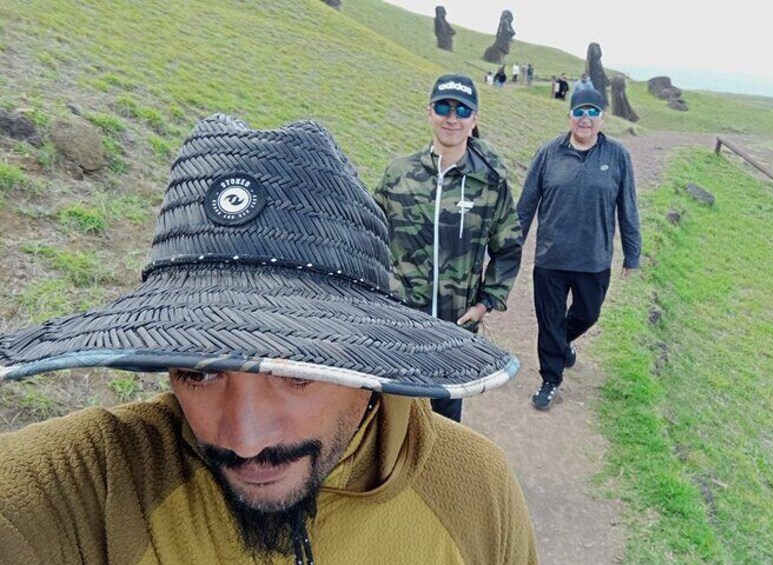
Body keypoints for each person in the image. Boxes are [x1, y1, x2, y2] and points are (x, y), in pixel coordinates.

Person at [0, 115, 537, 564]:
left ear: (368, 360)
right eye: (199, 370)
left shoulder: (473, 491)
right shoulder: (104, 486)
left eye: (298, 367)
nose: (245, 439)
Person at [374, 74, 522, 423]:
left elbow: (509, 247)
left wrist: (486, 303)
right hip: (400, 323)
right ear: (429, 113)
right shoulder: (399, 174)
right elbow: (370, 233)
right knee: (393, 415)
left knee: (444, 421)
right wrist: (379, 294)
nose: (451, 117)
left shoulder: (490, 183)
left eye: (462, 110)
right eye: (443, 107)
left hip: (455, 329)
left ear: (474, 120)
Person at [517, 88, 641, 411]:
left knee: (588, 314)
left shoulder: (617, 157)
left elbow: (628, 207)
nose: (585, 118)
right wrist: (511, 244)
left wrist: (632, 253)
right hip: (551, 257)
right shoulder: (548, 153)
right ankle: (550, 379)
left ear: (601, 117)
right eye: (579, 111)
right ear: (569, 115)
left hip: (594, 259)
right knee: (550, 320)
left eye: (592, 111)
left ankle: (563, 343)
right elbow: (526, 203)